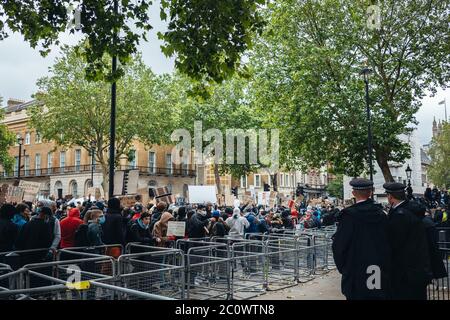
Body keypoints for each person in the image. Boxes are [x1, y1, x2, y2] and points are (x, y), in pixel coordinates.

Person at [332, 178, 391, 300]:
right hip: (376, 268)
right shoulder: (381, 214)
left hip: (355, 269)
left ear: (353, 193)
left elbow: (339, 246)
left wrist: (344, 267)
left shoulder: (349, 216)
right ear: (370, 192)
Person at [384, 182, 432, 300]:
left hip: (405, 273)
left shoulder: (400, 215)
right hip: (418, 270)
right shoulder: (412, 210)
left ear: (390, 197)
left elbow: (395, 243)